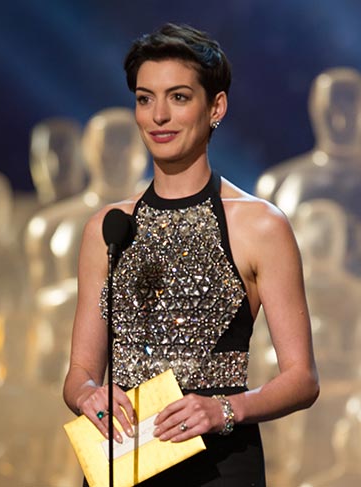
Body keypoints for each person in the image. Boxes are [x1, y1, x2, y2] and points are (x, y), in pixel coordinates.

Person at [63, 23, 319, 486]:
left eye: (178, 97)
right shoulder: (108, 227)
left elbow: (302, 378)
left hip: (219, 463)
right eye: (145, 99)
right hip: (124, 460)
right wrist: (88, 396)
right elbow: (79, 372)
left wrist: (224, 409)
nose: (158, 115)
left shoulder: (259, 225)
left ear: (215, 107)